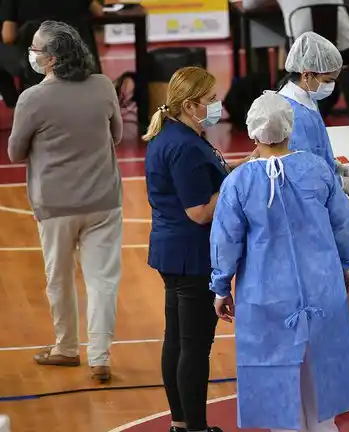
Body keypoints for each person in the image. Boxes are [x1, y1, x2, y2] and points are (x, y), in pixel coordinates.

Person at [209, 92, 349, 431]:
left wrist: (221, 287)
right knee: (319, 377)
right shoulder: (317, 169)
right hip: (322, 289)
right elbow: (343, 222)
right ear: (290, 129)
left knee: (278, 382)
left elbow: (226, 241)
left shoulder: (238, 183)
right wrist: (346, 267)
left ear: (252, 133)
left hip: (266, 298)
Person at [7, 20, 122, 382]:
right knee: (103, 281)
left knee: (59, 278)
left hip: (55, 205)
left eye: (37, 49)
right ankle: (100, 357)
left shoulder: (33, 99)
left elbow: (14, 153)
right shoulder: (104, 86)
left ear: (52, 59)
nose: (32, 55)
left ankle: (66, 347)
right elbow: (116, 135)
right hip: (104, 200)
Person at [143, 66, 255, 432]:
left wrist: (241, 167)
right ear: (190, 105)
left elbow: (209, 183)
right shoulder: (185, 147)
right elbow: (201, 211)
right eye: (209, 100)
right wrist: (240, 180)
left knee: (176, 339)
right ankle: (195, 427)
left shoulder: (177, 135)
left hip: (173, 250)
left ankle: (181, 422)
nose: (216, 105)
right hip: (192, 255)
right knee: (193, 346)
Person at [278, 31, 349, 196]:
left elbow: (314, 150)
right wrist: (338, 183)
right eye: (328, 81)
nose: (331, 87)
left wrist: (333, 165)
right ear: (306, 75)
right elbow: (302, 171)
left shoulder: (308, 100)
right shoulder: (294, 113)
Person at [0, 0, 103, 104]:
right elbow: (99, 11)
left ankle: (13, 104)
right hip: (80, 65)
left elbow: (8, 36)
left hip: (39, 70)